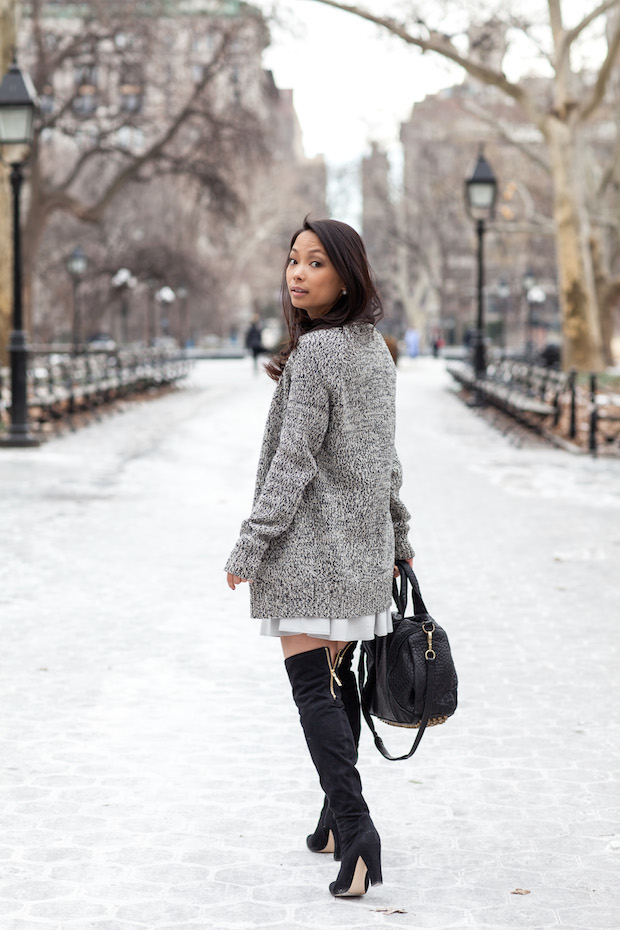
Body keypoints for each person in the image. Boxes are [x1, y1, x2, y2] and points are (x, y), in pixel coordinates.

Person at [225, 218, 414, 898]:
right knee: (340, 688)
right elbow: (386, 461)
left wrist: (251, 543)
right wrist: (399, 539)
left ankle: (358, 829)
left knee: (313, 691)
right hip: (363, 551)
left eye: (315, 264)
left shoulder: (317, 356)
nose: (297, 274)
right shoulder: (375, 351)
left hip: (310, 552)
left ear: (346, 276)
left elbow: (291, 463)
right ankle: (336, 820)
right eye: (293, 261)